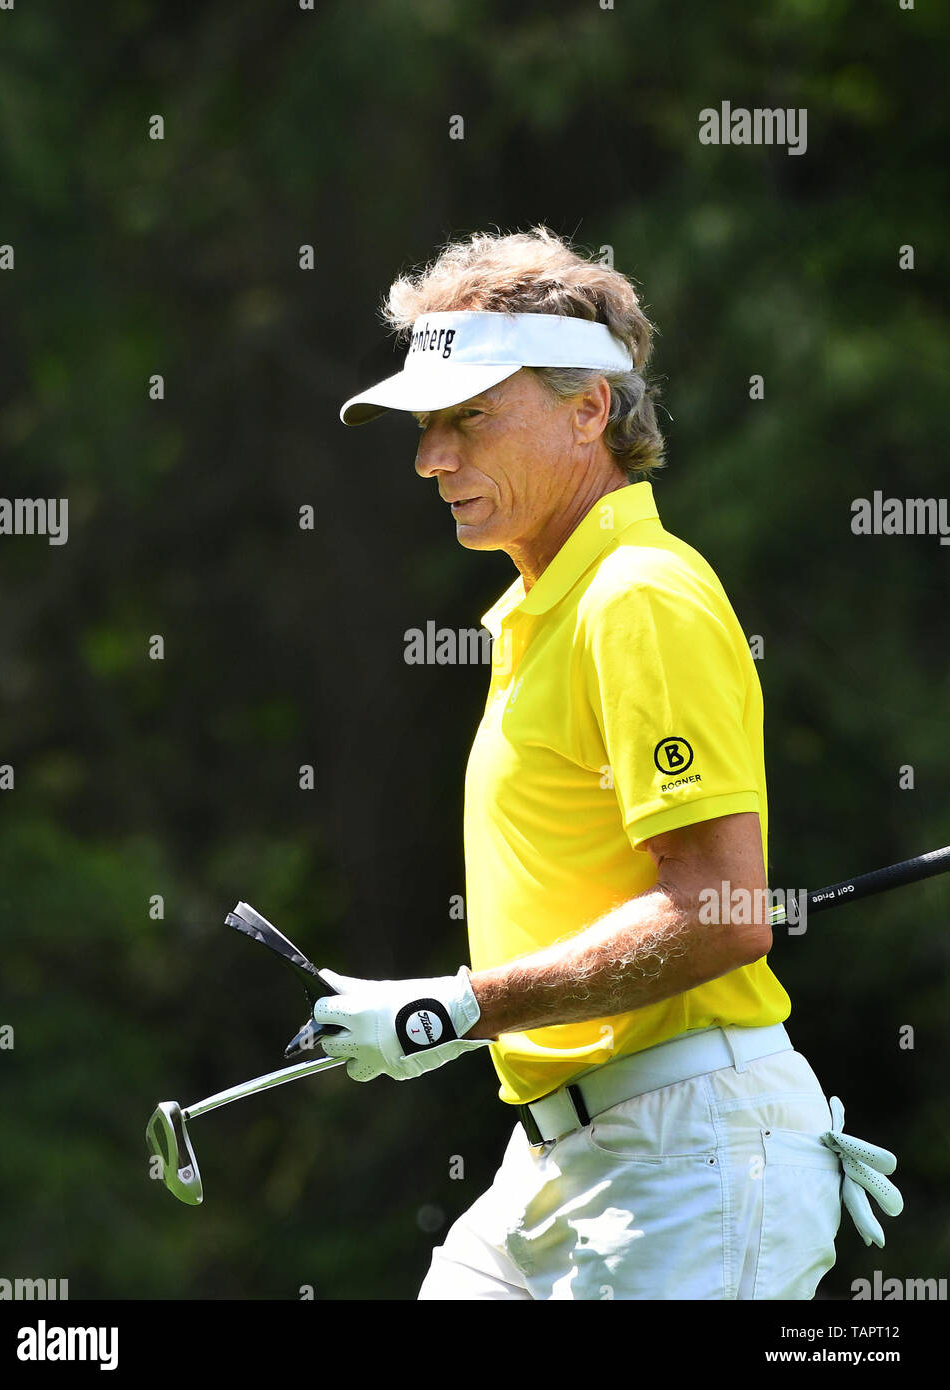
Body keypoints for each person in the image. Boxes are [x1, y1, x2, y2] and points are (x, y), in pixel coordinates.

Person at [316, 225, 901, 1300]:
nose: (430, 458)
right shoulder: (543, 609)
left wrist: (458, 1004)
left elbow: (721, 910)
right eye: (424, 426)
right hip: (556, 1159)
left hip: (686, 1157)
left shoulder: (636, 593)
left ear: (587, 408)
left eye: (468, 419)